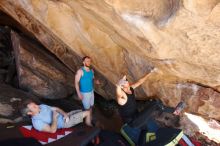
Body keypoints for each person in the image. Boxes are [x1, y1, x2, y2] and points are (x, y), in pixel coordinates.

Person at [21, 100, 92, 133]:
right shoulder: (37, 122)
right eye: (34, 107)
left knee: (86, 110)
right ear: (29, 113)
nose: (37, 105)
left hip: (65, 116)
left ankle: (88, 126)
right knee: (87, 113)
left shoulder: (41, 106)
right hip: (64, 123)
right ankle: (90, 128)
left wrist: (64, 114)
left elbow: (56, 108)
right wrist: (54, 117)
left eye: (35, 104)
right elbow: (52, 130)